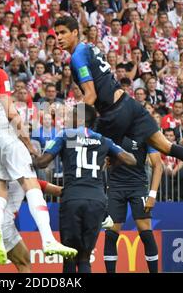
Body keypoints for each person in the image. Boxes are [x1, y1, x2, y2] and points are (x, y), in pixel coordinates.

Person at [54, 16, 183, 187]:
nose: (59, 37)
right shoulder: (88, 47)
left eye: (63, 32)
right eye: (57, 34)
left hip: (113, 113)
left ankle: (98, 210)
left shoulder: (77, 57)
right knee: (166, 147)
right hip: (129, 105)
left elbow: (90, 95)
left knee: (88, 153)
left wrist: (75, 126)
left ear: (75, 32)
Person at [0, 27, 77, 264]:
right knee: (29, 182)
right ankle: (47, 238)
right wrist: (27, 143)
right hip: (2, 133)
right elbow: (10, 111)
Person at [34, 104, 137, 273]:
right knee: (84, 257)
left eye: (71, 115)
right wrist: (113, 160)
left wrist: (26, 161)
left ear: (80, 119)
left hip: (73, 199)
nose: (68, 119)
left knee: (69, 255)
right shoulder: (103, 140)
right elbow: (131, 159)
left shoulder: (65, 135)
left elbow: (43, 162)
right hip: (97, 201)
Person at [104, 134, 163, 273]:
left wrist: (152, 195)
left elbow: (158, 165)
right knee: (111, 234)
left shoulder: (144, 132)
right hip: (115, 187)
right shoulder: (110, 131)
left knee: (146, 233)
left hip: (138, 187)